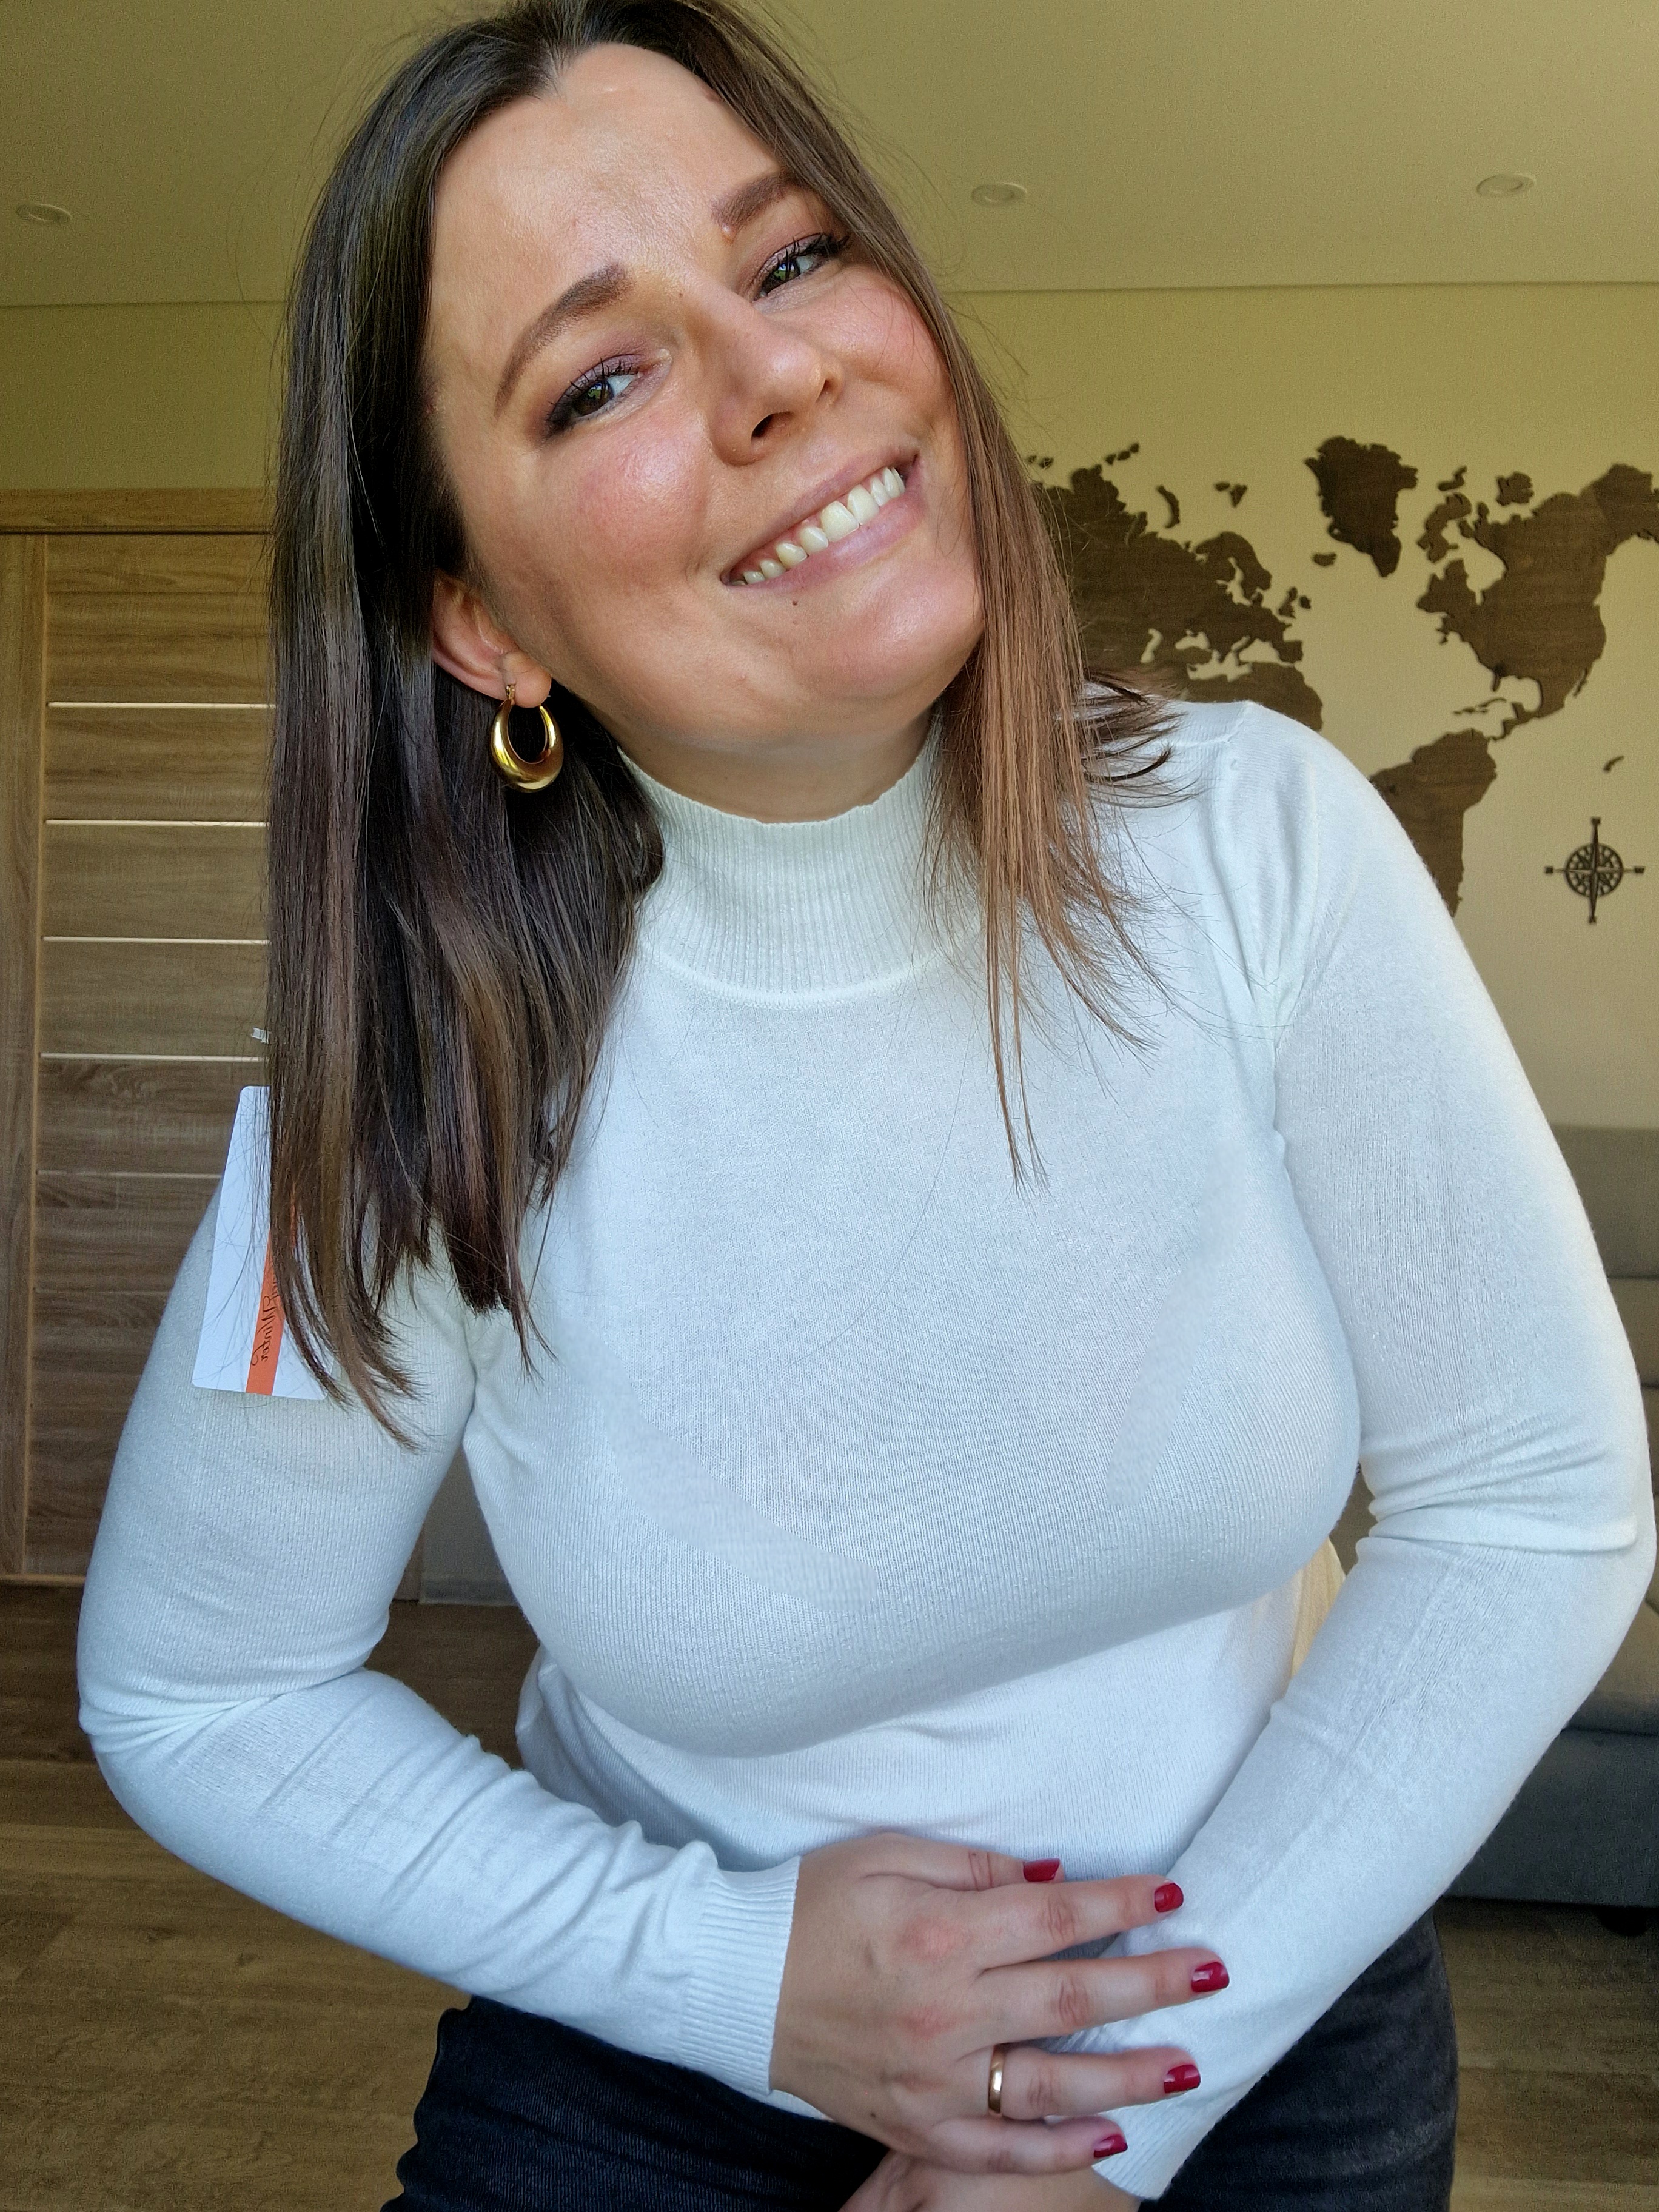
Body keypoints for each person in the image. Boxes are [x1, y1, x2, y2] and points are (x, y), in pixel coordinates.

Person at [76, 3, 1654, 2207]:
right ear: (482, 624)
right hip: (659, 2066)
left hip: (1262, 1995)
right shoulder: (433, 1074)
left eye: (794, 256)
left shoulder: (1257, 842)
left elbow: (1532, 1507)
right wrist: (738, 1978)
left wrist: (1107, 2117)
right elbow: (202, 1692)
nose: (778, 372)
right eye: (596, 378)